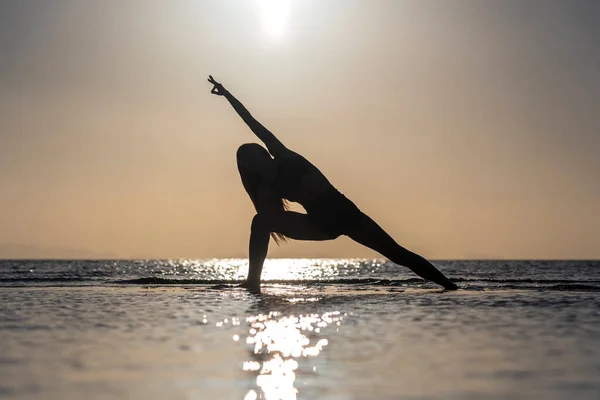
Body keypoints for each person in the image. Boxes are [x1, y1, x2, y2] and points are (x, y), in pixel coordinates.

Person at [208, 75, 458, 292]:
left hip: (344, 212)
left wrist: (227, 93)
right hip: (319, 224)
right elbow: (268, 218)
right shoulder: (269, 188)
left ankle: (450, 286)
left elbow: (251, 121)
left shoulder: (281, 154)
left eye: (248, 155)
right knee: (259, 221)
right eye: (244, 162)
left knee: (396, 253)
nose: (248, 162)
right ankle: (253, 282)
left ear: (260, 153)